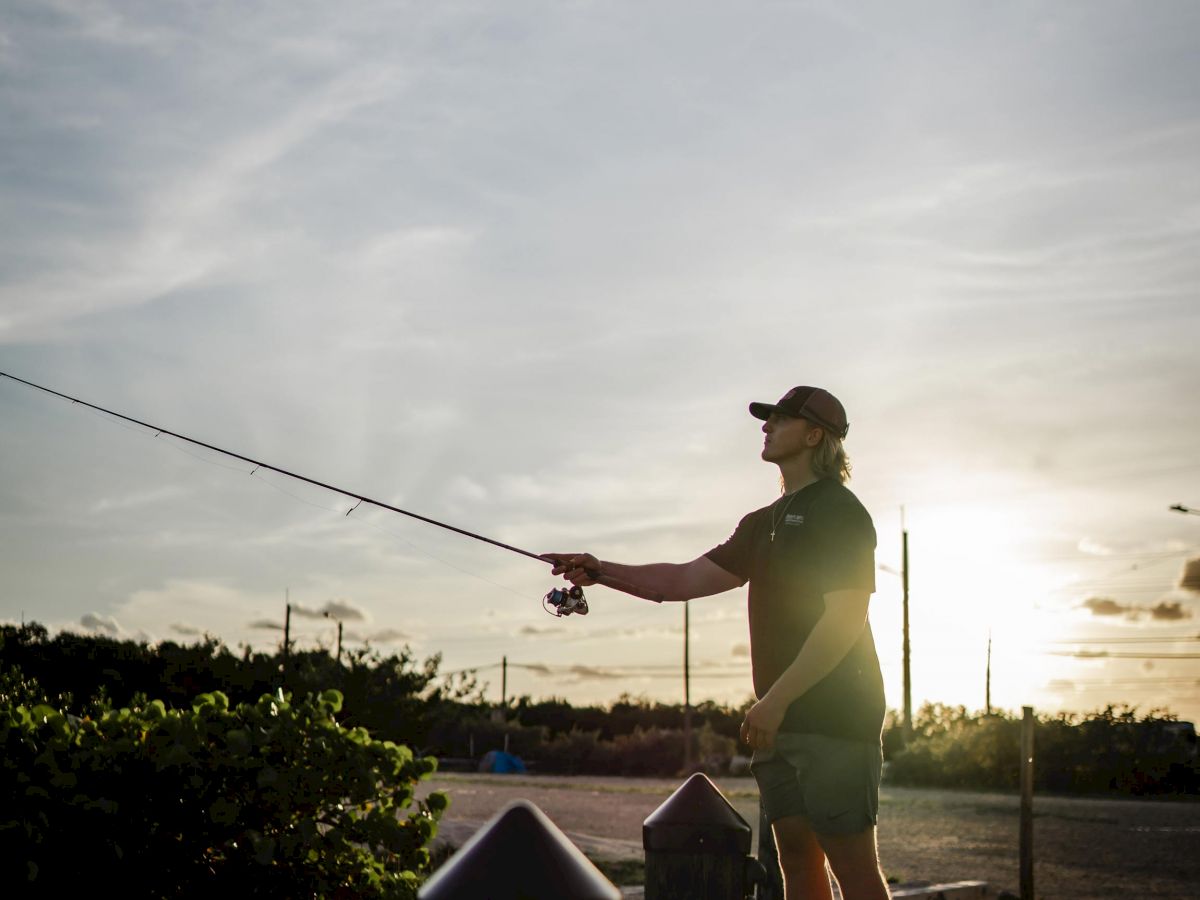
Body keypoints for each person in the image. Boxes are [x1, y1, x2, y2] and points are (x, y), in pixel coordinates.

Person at [547, 385, 891, 900]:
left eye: (780, 419)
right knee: (797, 860)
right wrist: (600, 571)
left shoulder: (841, 511)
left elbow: (845, 618)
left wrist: (775, 701)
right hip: (780, 721)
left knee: (853, 866)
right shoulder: (760, 524)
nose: (766, 425)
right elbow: (681, 581)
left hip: (836, 719)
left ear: (815, 434)